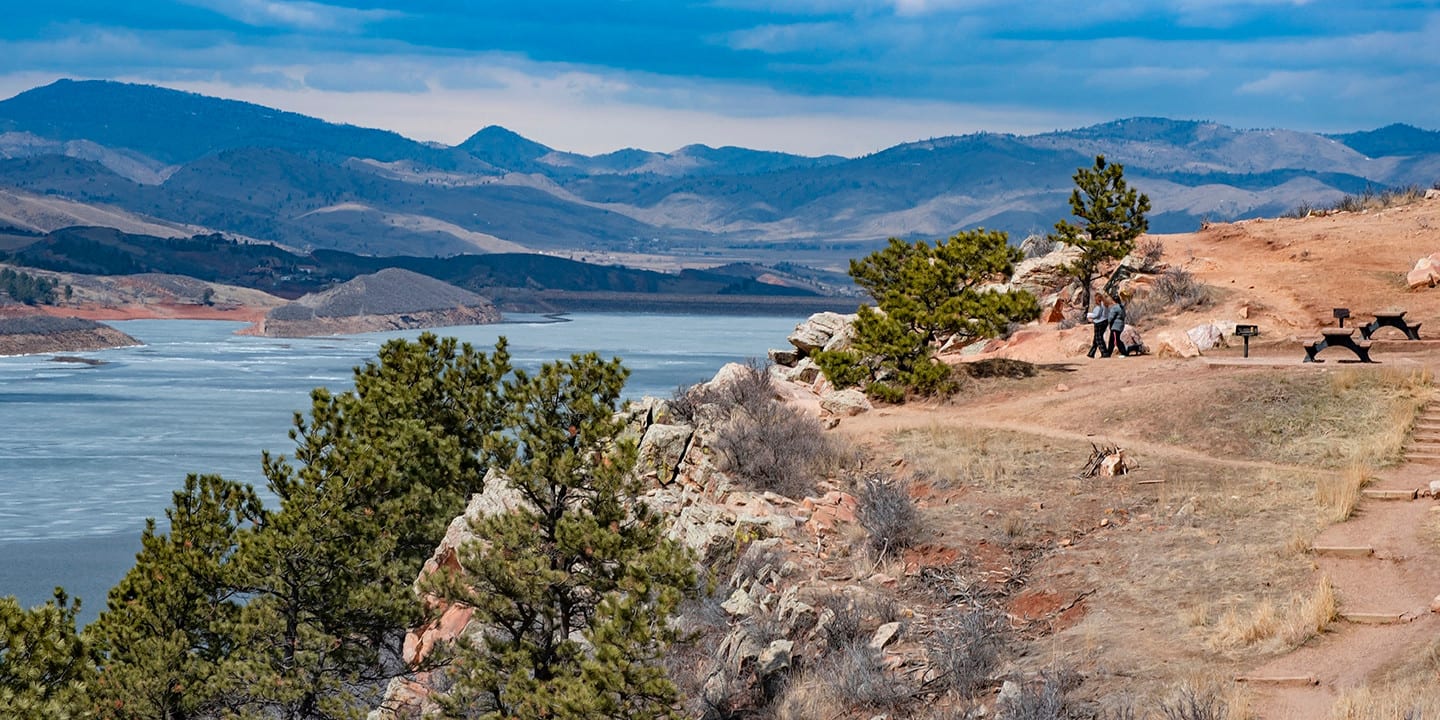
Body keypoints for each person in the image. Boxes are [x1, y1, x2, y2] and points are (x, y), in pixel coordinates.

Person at [1086, 292, 1110, 358]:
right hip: (1104, 321)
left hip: (1099, 323)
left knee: (1099, 338)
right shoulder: (1105, 304)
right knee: (1096, 338)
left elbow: (1097, 315)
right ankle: (1091, 353)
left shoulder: (1100, 306)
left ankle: (1104, 353)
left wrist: (1089, 315)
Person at [1107, 292, 1128, 356]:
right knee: (1112, 340)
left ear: (1113, 300)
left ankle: (1124, 352)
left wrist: (1106, 322)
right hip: (1120, 325)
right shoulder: (1122, 307)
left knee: (1116, 340)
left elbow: (1110, 317)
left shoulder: (1115, 307)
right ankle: (1108, 353)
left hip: (1115, 326)